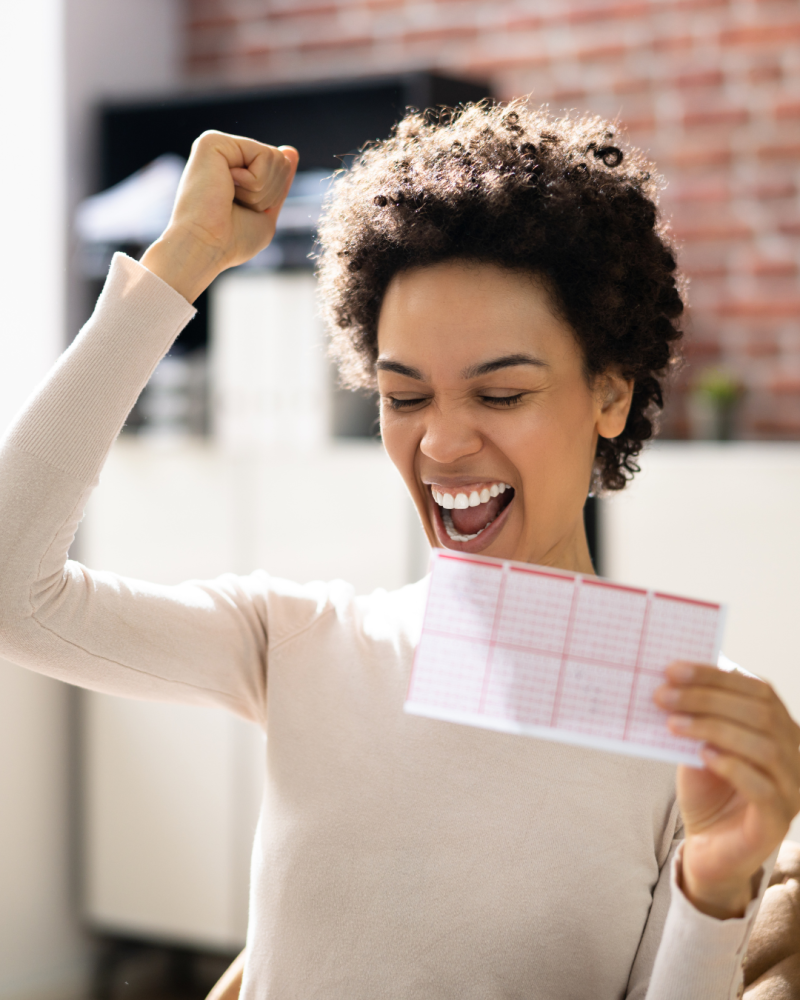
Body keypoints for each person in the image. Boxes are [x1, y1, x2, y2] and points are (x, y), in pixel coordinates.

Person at [1, 101, 799, 1000]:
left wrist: (718, 890)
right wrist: (180, 265)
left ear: (609, 398)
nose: (443, 444)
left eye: (500, 396)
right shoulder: (304, 644)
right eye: (405, 396)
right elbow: (11, 595)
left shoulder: (695, 723)